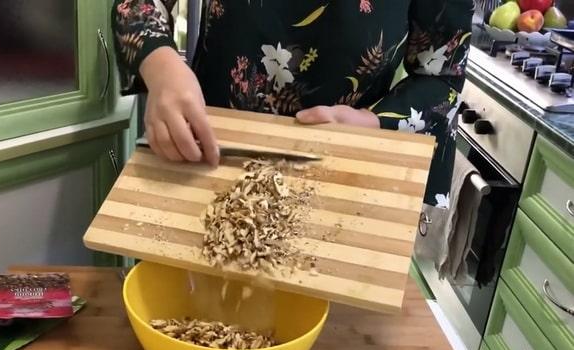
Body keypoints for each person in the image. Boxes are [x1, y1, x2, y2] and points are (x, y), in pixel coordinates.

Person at [112, 0, 473, 207]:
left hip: (340, 179)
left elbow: (442, 76)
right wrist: (160, 64)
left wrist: (372, 121)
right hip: (206, 157)